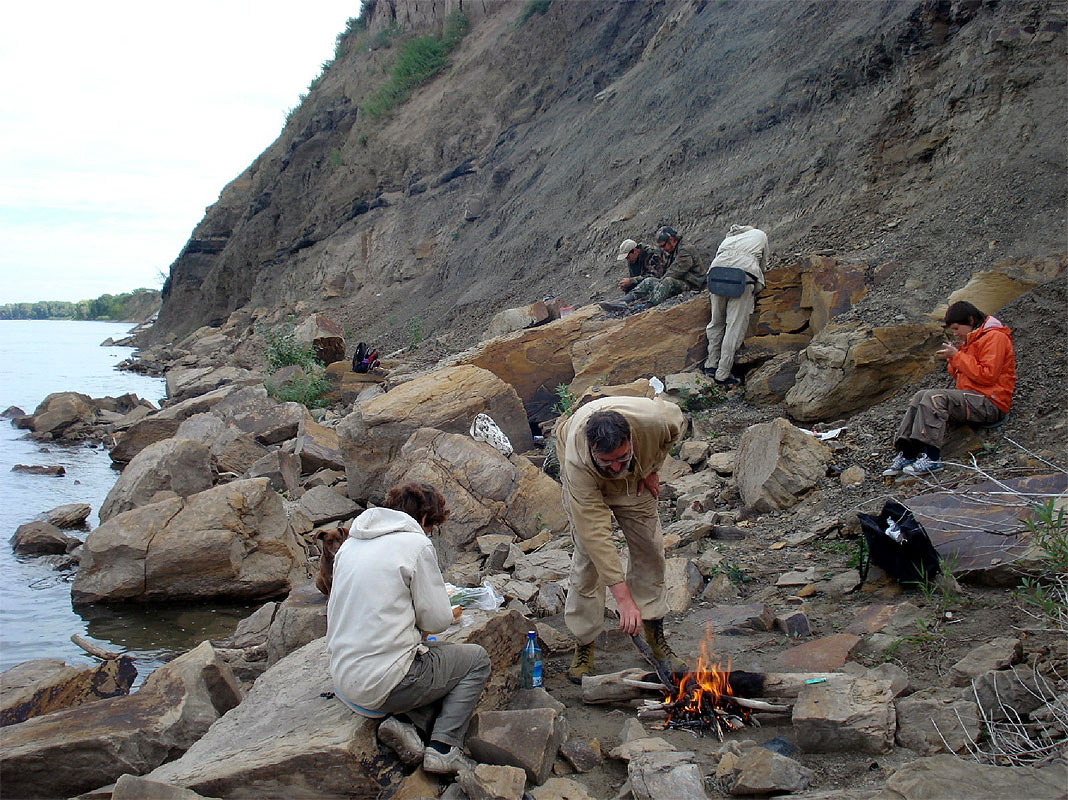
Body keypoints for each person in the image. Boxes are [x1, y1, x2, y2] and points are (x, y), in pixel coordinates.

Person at [326, 482, 491, 775]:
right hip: (382, 688)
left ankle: (404, 723)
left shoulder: (350, 544)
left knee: (423, 657)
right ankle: (444, 748)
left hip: (344, 681)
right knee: (475, 660)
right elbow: (438, 620)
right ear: (425, 520)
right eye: (432, 527)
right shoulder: (415, 545)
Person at [555, 395, 688, 682]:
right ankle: (584, 643)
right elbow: (596, 534)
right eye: (607, 461)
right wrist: (623, 599)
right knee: (587, 558)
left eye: (620, 458)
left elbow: (676, 425)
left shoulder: (655, 421)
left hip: (636, 475)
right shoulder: (577, 461)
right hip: (586, 479)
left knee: (650, 549)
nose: (615, 468)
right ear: (592, 448)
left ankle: (655, 638)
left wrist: (651, 466)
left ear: (631, 438)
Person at [882, 301, 1015, 477]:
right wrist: (954, 358)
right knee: (920, 395)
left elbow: (987, 375)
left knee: (934, 397)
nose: (956, 333)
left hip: (991, 402)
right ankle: (907, 453)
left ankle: (932, 458)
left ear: (970, 320)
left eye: (957, 328)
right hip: (973, 398)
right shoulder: (971, 340)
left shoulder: (995, 338)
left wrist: (957, 356)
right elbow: (961, 374)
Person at [702, 225, 770, 386]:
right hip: (742, 278)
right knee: (734, 326)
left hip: (716, 275)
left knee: (716, 322)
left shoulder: (729, 238)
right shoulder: (760, 235)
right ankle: (722, 374)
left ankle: (710, 365)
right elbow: (763, 264)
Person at [599, 226, 702, 313]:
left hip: (692, 284)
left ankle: (646, 307)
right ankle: (623, 301)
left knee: (667, 281)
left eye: (663, 246)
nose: (662, 249)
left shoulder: (685, 250)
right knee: (649, 282)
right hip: (679, 282)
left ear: (671, 240)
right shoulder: (672, 250)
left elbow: (674, 272)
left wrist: (659, 285)